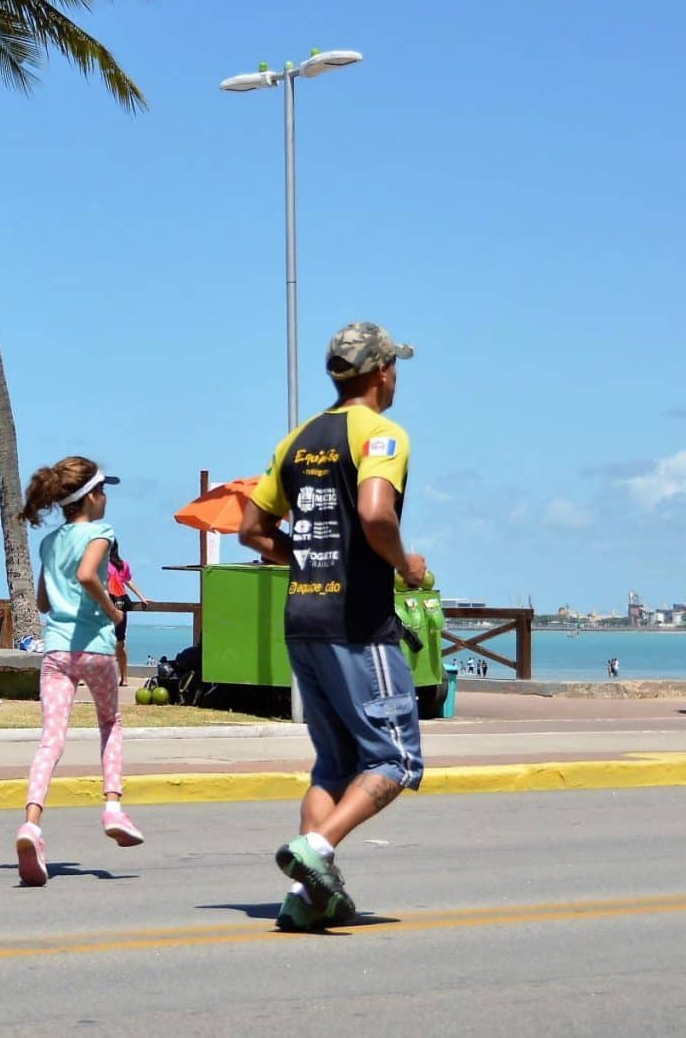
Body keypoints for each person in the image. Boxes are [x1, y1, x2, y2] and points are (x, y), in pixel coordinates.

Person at [238, 320, 426, 932]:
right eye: (394, 365)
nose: (396, 375)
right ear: (380, 372)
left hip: (302, 619)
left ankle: (305, 897)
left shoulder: (296, 439)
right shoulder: (382, 436)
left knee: (333, 767)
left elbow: (252, 531)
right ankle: (316, 852)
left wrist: (309, 555)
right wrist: (406, 566)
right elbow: (375, 513)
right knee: (395, 760)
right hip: (358, 622)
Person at [13, 457, 140, 886]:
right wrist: (113, 612)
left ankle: (31, 824)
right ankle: (112, 807)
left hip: (56, 650)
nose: (107, 501)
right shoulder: (101, 533)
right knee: (110, 722)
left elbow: (44, 603)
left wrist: (66, 594)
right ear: (92, 497)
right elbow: (89, 574)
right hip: (96, 648)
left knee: (52, 738)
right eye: (104, 492)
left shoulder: (50, 542)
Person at [107, 540, 149, 687]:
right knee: (119, 643)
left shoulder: (106, 565)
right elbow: (128, 582)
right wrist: (141, 597)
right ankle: (123, 678)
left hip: (111, 603)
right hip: (121, 603)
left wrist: (141, 597)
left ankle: (121, 677)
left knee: (116, 643)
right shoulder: (121, 564)